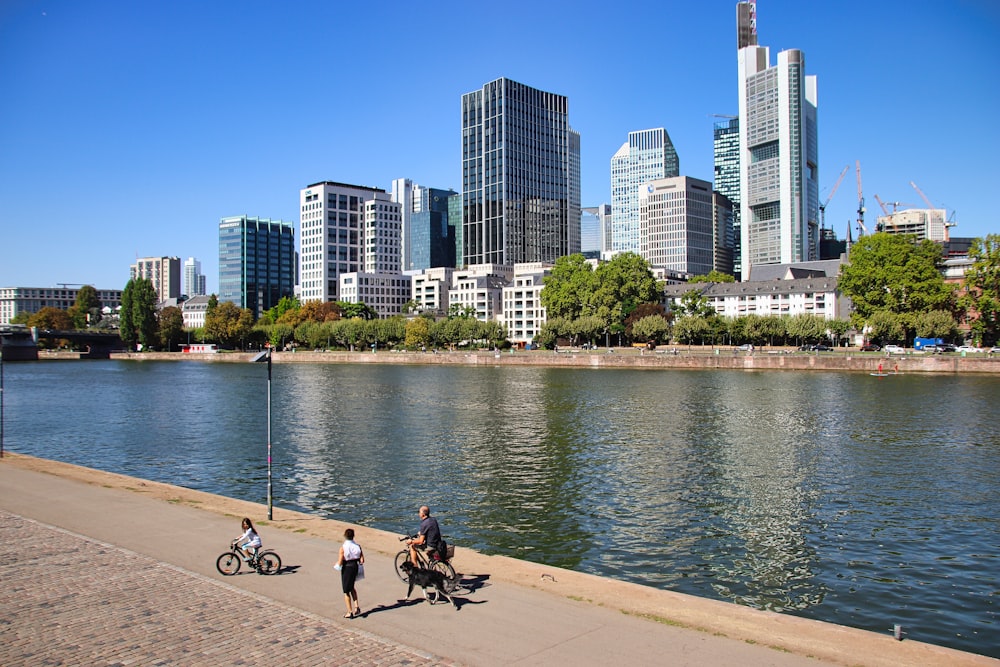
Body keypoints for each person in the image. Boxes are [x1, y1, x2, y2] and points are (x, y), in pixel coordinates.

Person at [336, 528, 364, 618]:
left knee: (346, 591)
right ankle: (357, 606)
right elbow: (362, 560)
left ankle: (349, 611)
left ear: (345, 536)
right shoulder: (358, 546)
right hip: (355, 566)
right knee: (352, 587)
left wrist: (337, 566)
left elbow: (340, 562)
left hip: (347, 568)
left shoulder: (343, 548)